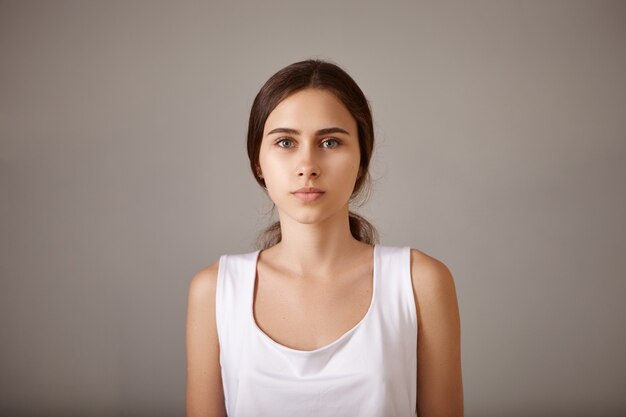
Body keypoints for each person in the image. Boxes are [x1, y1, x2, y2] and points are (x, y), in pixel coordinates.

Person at [186, 59, 463, 417]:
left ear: (362, 158)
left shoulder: (420, 283)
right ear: (258, 162)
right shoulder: (215, 291)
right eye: (285, 142)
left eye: (330, 142)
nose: (308, 165)